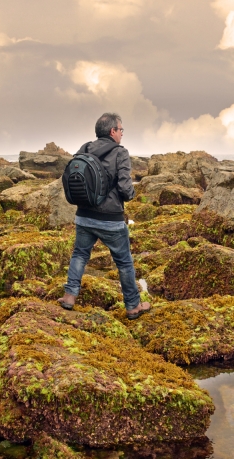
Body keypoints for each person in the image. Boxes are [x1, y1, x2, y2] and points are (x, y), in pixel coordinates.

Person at [58, 112, 151, 320]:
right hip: (111, 220)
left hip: (83, 215)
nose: (122, 134)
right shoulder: (120, 153)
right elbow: (126, 188)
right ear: (113, 131)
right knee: (124, 263)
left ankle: (69, 296)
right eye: (121, 130)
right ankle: (133, 306)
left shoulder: (85, 149)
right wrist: (133, 194)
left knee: (80, 254)